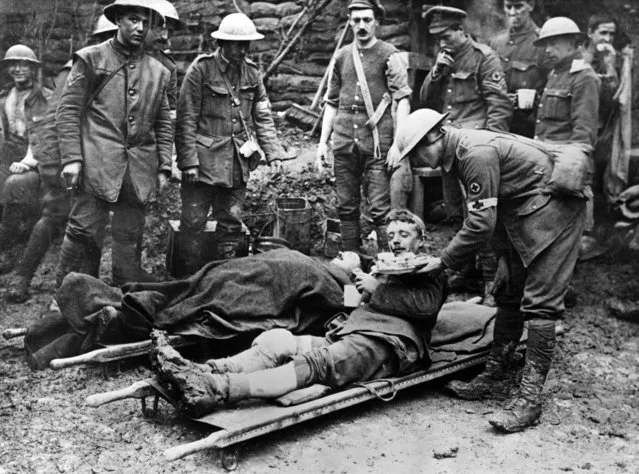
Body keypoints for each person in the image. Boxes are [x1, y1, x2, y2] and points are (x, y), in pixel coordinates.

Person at [394, 109, 586, 433]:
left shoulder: (475, 154)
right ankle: (496, 374)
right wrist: (502, 261)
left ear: (432, 137)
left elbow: (481, 223)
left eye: (416, 153)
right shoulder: (462, 153)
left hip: (556, 216)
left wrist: (443, 260)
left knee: (539, 305)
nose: (416, 162)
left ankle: (529, 399)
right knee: (508, 289)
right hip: (525, 213)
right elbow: (492, 214)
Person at [149, 208, 446, 418]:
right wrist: (357, 281)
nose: (396, 240)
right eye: (392, 234)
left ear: (419, 240)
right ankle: (205, 370)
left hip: (389, 344)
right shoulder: (384, 269)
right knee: (277, 340)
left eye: (404, 234)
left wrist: (376, 289)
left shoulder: (430, 269)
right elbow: (352, 308)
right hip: (352, 332)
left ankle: (218, 388)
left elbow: (427, 308)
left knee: (315, 364)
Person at [55, 0, 174, 287]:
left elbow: (164, 122)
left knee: (129, 233)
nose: (140, 27)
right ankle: (69, 295)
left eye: (146, 22)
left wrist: (165, 166)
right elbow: (67, 111)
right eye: (133, 19)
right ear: (118, 20)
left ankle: (124, 292)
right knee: (83, 230)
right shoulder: (91, 59)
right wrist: (72, 158)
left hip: (138, 169)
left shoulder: (159, 72)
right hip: (96, 163)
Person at [175, 12, 291, 261]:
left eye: (247, 44)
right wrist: (189, 161)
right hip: (203, 163)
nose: (243, 50)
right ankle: (187, 279)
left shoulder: (251, 73)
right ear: (223, 43)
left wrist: (273, 153)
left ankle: (223, 279)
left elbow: (262, 116)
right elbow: (186, 119)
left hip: (237, 163)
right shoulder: (201, 70)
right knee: (193, 222)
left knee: (231, 223)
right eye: (238, 44)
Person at [419, 6, 513, 306]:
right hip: (449, 146)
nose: (442, 42)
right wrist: (437, 73)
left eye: (447, 35)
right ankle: (467, 273)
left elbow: (499, 107)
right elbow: (426, 100)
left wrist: (491, 147)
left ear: (462, 30)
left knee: (480, 216)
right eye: (438, 38)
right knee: (457, 214)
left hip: (476, 151)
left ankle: (489, 283)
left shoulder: (484, 58)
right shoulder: (444, 59)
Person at [315, 0, 411, 252]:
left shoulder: (390, 55)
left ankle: (386, 264)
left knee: (380, 208)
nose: (361, 26)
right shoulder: (341, 56)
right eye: (356, 20)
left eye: (367, 20)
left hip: (378, 144)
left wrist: (397, 146)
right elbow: (332, 103)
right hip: (344, 142)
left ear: (376, 22)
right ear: (349, 22)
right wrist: (323, 142)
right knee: (346, 206)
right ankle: (351, 261)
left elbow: (402, 101)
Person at [2, 59, 73, 303]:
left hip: (104, 161)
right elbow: (45, 132)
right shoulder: (76, 72)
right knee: (53, 214)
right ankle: (22, 275)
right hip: (63, 160)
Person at [0, 45, 50, 279]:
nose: (18, 69)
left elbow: (43, 136)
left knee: (15, 183)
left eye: (24, 64)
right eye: (13, 64)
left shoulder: (45, 98)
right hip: (8, 154)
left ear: (33, 68)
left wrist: (28, 161)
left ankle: (6, 249)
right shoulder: (4, 96)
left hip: (36, 158)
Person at [489, 0, 547, 137]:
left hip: (527, 125)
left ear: (531, 6)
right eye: (508, 7)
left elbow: (552, 86)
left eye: (518, 6)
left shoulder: (542, 43)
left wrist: (533, 99)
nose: (512, 12)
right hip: (498, 124)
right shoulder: (497, 42)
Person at [143, 0, 181, 118]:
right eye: (160, 29)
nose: (165, 37)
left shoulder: (168, 66)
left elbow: (170, 112)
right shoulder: (118, 56)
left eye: (170, 31)